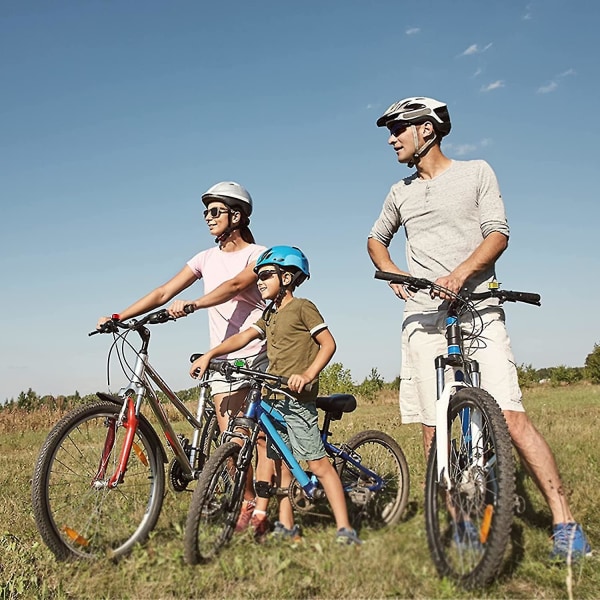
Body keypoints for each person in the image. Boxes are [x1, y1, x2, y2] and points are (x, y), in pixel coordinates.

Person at [367, 96, 591, 562]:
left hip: (478, 307)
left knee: (511, 417)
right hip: (423, 320)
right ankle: (461, 522)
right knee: (434, 429)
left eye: (399, 129)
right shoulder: (399, 192)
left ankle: (565, 523)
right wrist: (394, 273)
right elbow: (375, 238)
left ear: (426, 130)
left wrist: (460, 273)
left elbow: (497, 233)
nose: (391, 138)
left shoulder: (476, 173)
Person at [96, 180, 273, 538]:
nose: (207, 217)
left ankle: (263, 507)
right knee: (229, 440)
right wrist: (119, 316)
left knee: (252, 437)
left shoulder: (259, 254)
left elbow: (237, 285)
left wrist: (194, 304)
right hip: (220, 358)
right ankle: (246, 500)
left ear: (236, 216)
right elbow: (164, 291)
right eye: (205, 212)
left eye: (215, 211)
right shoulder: (204, 259)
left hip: (253, 354)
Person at [190, 245, 362, 545]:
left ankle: (345, 528)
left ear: (287, 278)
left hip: (296, 401)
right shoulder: (269, 314)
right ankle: (286, 524)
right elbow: (244, 336)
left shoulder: (302, 307)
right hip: (273, 397)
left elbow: (328, 344)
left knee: (317, 464)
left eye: (266, 275)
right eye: (258, 276)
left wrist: (308, 374)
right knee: (282, 463)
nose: (259, 281)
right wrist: (212, 353)